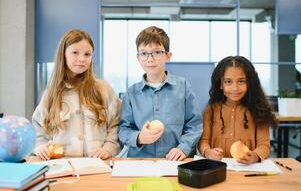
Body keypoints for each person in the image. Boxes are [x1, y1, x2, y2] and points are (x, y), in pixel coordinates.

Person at [33, 29, 121, 160]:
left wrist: (109, 148)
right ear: (63, 54)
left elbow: (117, 123)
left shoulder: (104, 89)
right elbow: (38, 130)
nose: (82, 59)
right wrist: (40, 147)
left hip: (99, 166)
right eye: (75, 53)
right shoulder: (51, 94)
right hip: (62, 166)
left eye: (87, 54)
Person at [119, 26, 202, 161]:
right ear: (138, 57)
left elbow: (194, 124)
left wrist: (183, 148)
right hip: (140, 162)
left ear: (168, 56)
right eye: (144, 53)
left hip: (175, 161)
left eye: (157, 52)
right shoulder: (131, 93)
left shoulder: (183, 87)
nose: (150, 59)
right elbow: (123, 129)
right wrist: (139, 137)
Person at [198, 56, 277, 164]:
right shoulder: (210, 110)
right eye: (228, 82)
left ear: (250, 83)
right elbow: (203, 141)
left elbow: (264, 145)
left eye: (241, 81)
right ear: (220, 84)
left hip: (248, 170)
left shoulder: (258, 110)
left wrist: (255, 156)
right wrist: (208, 152)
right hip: (216, 168)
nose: (235, 88)